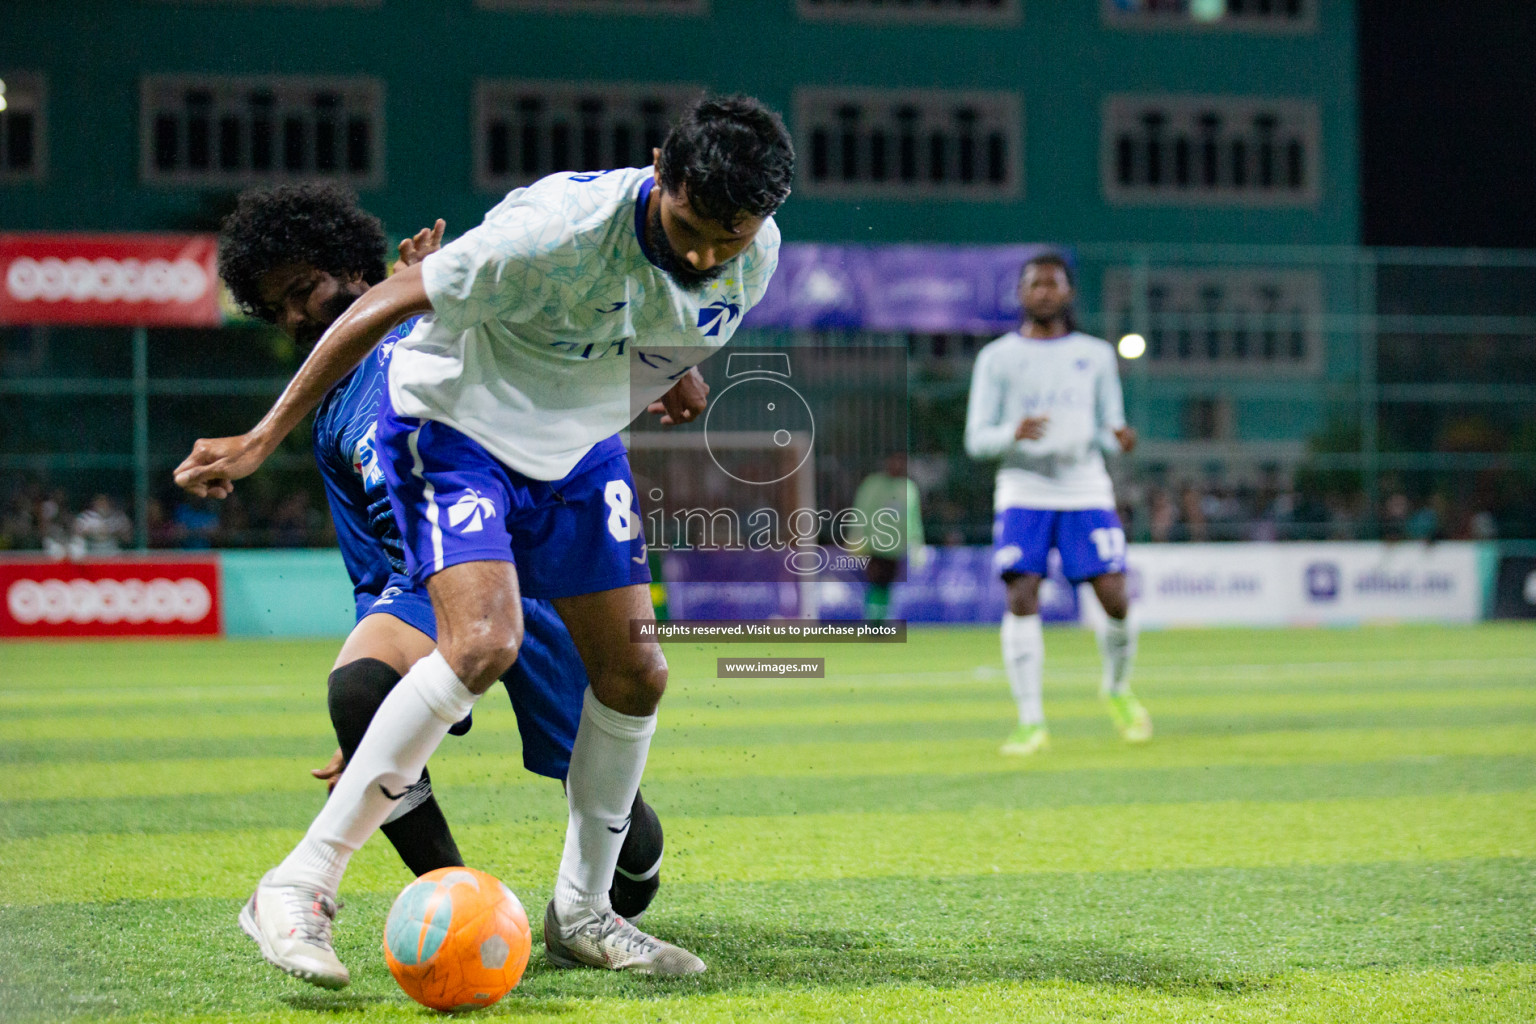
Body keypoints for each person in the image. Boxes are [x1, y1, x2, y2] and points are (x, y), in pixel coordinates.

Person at [176, 95, 793, 982]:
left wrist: (677, 367)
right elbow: (382, 303)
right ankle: (296, 883)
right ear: (661, 170)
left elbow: (653, 313)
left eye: (730, 235)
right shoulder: (552, 229)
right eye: (693, 226)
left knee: (639, 675)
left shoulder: (754, 251)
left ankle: (583, 914)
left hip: (575, 455)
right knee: (483, 642)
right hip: (458, 432)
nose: (707, 253)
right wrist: (260, 437)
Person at [214, 183, 671, 936]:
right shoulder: (331, 414)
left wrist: (435, 300)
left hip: (544, 580)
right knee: (361, 691)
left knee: (631, 852)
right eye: (279, 309)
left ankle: (592, 907)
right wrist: (382, 717)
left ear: (354, 268)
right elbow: (371, 569)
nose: (296, 317)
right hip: (433, 578)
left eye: (304, 290)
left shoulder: (454, 313)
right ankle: (462, 909)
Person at [964, 251, 1151, 757]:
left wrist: (1120, 439)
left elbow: (1108, 428)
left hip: (1085, 489)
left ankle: (1117, 688)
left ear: (1068, 293)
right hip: (1024, 491)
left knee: (1114, 596)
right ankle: (1031, 721)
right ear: (1022, 294)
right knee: (1021, 593)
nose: (1044, 291)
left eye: (1053, 284)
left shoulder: (1095, 354)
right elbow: (976, 439)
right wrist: (1012, 432)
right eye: (1034, 284)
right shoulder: (997, 358)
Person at [848, 452, 925, 620]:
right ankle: (873, 622)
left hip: (896, 548)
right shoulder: (873, 484)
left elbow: (913, 520)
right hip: (873, 546)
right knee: (875, 584)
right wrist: (857, 538)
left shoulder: (908, 488)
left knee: (886, 586)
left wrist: (916, 545)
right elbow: (861, 512)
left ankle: (880, 620)